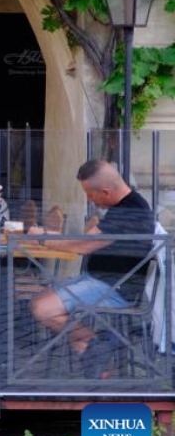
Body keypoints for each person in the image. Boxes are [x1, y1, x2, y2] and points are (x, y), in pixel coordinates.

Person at [28, 160, 156, 379]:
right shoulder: (126, 205)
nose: (88, 199)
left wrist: (43, 239)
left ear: (105, 191)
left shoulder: (130, 211)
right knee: (38, 301)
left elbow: (84, 245)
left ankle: (100, 343)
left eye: (89, 193)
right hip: (99, 280)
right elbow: (87, 240)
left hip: (115, 289)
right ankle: (97, 360)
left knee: (45, 309)